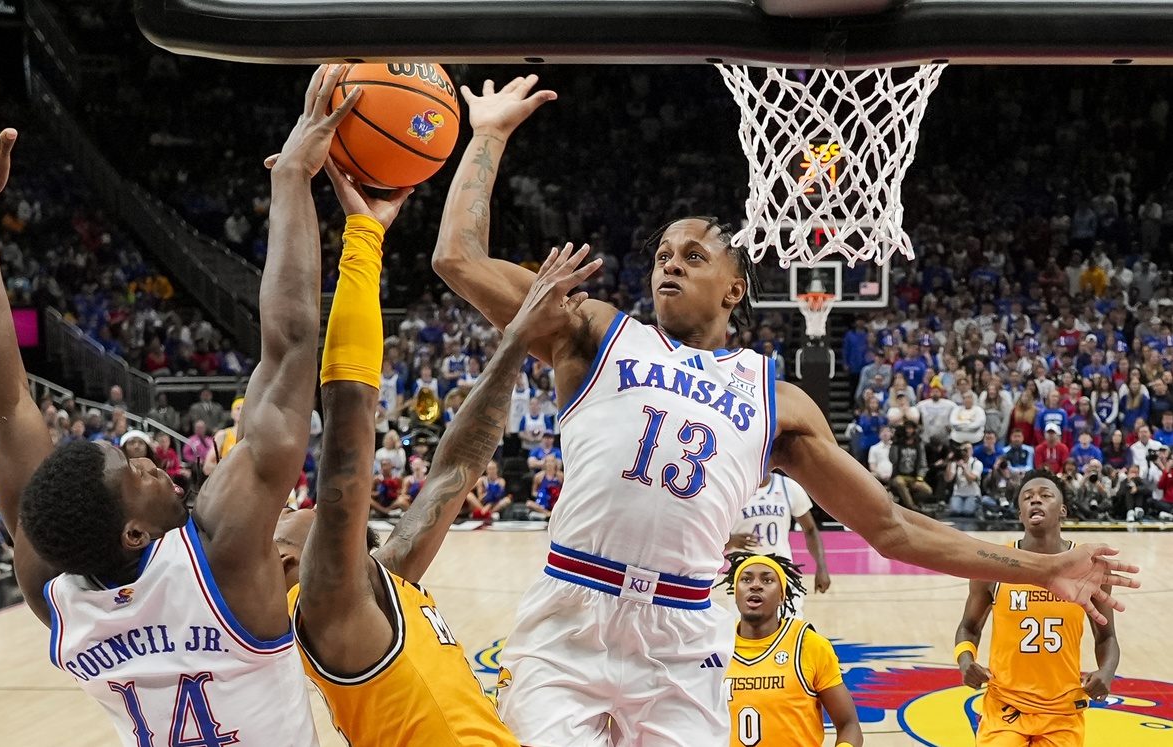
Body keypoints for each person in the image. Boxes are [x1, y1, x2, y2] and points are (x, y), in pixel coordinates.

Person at [433, 74, 1136, 747]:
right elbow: (458, 260)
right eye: (660, 254)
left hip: (681, 632)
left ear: (735, 289)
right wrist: (487, 135)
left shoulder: (776, 399)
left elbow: (892, 526)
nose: (668, 264)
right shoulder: (594, 332)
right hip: (572, 613)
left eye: (692, 254)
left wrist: (1039, 569)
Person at [0, 64, 340, 744]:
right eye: (136, 473)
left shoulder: (55, 592)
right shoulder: (222, 556)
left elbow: (4, 398)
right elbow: (289, 351)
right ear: (133, 532)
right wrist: (291, 179)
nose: (153, 463)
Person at [275, 189, 593, 747]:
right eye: (292, 515)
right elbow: (349, 420)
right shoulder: (323, 603)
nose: (305, 506)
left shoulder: (383, 582)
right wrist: (362, 242)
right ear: (287, 559)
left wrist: (519, 333)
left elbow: (457, 467)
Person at [954, 471, 1120, 746]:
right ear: (1020, 514)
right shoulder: (993, 566)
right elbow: (968, 627)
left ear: (1062, 510)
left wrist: (1107, 671)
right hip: (1004, 706)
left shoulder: (1088, 568)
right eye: (1027, 498)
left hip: (1062, 711)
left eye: (1045, 495)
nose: (1035, 501)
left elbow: (1107, 637)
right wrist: (965, 661)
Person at [722, 552, 863, 747]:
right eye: (746, 579)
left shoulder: (809, 645)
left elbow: (849, 724)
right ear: (736, 593)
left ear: (781, 596)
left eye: (767, 579)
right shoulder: (714, 647)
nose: (755, 585)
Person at [726, 473, 832, 614]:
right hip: (743, 575)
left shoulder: (788, 487)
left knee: (790, 626)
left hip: (781, 571)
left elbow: (811, 529)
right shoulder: (731, 489)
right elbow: (709, 536)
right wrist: (730, 540)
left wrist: (821, 567)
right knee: (745, 631)